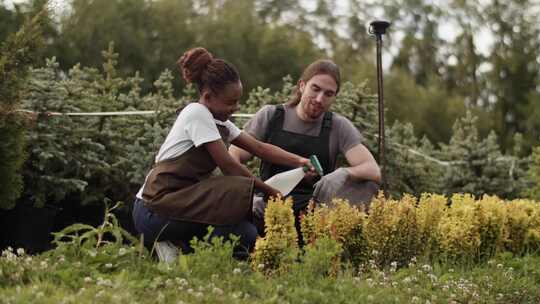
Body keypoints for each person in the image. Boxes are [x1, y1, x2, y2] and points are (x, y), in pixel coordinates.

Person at [132, 47, 312, 261]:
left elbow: (260, 148)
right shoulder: (196, 113)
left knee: (244, 232)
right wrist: (269, 191)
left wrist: (299, 161)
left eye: (238, 101)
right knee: (233, 189)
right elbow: (228, 166)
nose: (235, 107)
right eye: (230, 102)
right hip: (155, 209)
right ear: (207, 96)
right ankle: (168, 241)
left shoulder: (220, 122)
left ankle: (197, 258)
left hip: (182, 203)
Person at [229, 59, 381, 238]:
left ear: (334, 97)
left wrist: (343, 174)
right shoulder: (271, 116)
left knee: (368, 186)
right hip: (266, 208)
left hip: (315, 213)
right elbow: (233, 155)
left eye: (328, 94)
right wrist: (249, 196)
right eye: (315, 89)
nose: (319, 99)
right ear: (302, 85)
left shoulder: (338, 126)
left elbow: (373, 170)